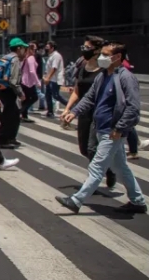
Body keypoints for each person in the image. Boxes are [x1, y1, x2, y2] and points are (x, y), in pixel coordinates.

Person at [57, 42, 146, 214]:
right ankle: (138, 201)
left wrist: (120, 128)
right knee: (121, 167)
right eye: (101, 54)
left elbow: (133, 107)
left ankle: (76, 201)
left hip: (112, 131)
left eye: (106, 54)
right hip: (101, 128)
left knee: (97, 167)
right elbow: (90, 98)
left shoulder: (125, 77)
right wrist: (74, 112)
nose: (101, 58)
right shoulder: (103, 76)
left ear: (117, 57)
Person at [63, 35, 117, 189]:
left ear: (97, 50)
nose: (84, 50)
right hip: (84, 112)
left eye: (87, 47)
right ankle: (107, 169)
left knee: (93, 148)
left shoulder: (105, 69)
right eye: (83, 47)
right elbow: (77, 90)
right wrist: (68, 109)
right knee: (84, 149)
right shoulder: (82, 66)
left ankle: (92, 181)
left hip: (100, 113)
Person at [0, 38, 28, 149]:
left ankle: (9, 138)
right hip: (10, 90)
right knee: (10, 115)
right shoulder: (15, 60)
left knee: (12, 114)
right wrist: (20, 93)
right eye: (24, 48)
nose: (25, 50)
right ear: (19, 48)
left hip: (1, 89)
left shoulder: (4, 57)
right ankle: (3, 139)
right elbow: (14, 81)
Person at [43, 41, 68, 117]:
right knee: (48, 95)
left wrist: (48, 78)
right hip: (50, 79)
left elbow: (54, 68)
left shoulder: (56, 56)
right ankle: (50, 112)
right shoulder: (51, 55)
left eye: (48, 47)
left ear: (52, 48)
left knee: (56, 95)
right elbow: (48, 68)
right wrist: (45, 76)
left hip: (55, 79)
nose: (46, 48)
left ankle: (70, 106)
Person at [19, 44, 40, 123]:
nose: (35, 51)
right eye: (34, 49)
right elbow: (32, 71)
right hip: (28, 82)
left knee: (26, 99)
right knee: (34, 97)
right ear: (30, 50)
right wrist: (37, 82)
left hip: (24, 81)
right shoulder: (31, 58)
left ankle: (24, 116)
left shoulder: (25, 58)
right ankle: (20, 112)